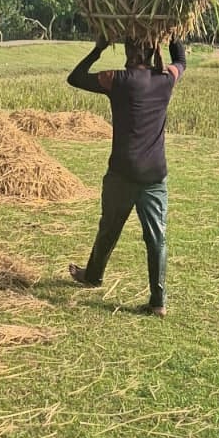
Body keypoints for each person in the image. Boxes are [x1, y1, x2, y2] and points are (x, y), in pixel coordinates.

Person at [66, 35, 186, 317]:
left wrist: (98, 48)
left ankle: (93, 275)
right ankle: (158, 301)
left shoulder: (116, 79)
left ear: (130, 52)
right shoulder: (166, 78)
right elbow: (181, 60)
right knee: (157, 238)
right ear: (152, 51)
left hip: (122, 171)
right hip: (155, 174)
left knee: (109, 226)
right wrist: (171, 34)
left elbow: (75, 78)